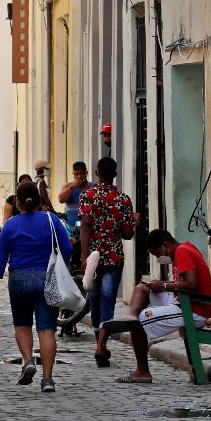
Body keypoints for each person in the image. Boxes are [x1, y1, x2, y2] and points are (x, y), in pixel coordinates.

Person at [0, 182, 72, 392]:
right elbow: (67, 247)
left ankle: (27, 360)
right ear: (39, 201)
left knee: (22, 324)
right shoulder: (52, 220)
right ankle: (48, 379)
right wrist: (60, 267)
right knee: (47, 329)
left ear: (17, 202)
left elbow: (0, 258)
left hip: (20, 278)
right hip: (46, 277)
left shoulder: (11, 225)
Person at [101, 230, 211, 383]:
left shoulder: (182, 252)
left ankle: (142, 372)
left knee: (140, 321)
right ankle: (131, 315)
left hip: (195, 309)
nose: (158, 258)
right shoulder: (183, 249)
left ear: (166, 245)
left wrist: (165, 285)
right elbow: (184, 282)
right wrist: (159, 285)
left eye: (157, 254)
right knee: (142, 288)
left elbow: (192, 284)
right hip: (184, 301)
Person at [79, 157, 138, 367]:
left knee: (94, 300)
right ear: (114, 175)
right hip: (113, 256)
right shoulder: (123, 199)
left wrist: (84, 255)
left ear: (96, 173)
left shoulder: (88, 196)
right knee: (107, 301)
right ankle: (101, 345)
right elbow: (128, 234)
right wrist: (132, 222)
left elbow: (85, 224)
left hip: (93, 257)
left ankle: (99, 343)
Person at [58, 162, 94, 228]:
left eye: (82, 173)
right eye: (76, 174)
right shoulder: (67, 186)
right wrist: (72, 187)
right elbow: (61, 200)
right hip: (70, 228)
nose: (79, 176)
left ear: (87, 173)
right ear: (73, 174)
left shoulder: (93, 187)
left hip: (89, 228)